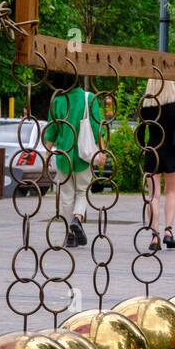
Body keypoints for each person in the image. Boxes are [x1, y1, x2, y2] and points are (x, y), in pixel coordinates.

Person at [43, 78, 106, 248]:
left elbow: (51, 131)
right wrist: (102, 151)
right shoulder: (89, 98)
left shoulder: (57, 101)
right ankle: (77, 219)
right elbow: (96, 127)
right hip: (83, 156)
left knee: (66, 196)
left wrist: (47, 153)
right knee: (83, 191)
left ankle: (69, 234)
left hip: (64, 155)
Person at [137, 78, 175, 252]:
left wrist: (144, 146)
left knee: (153, 196)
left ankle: (154, 236)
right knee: (171, 192)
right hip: (172, 150)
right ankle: (168, 232)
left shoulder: (146, 107)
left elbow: (140, 135)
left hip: (152, 151)